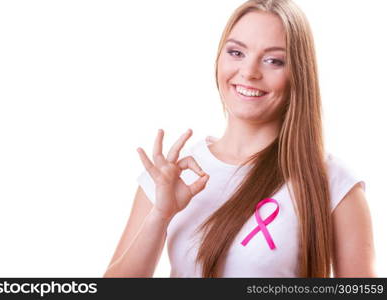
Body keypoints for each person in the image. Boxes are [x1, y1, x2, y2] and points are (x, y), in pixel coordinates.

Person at [103, 0, 376, 277]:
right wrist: (159, 216)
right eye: (236, 52)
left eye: (274, 60)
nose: (249, 72)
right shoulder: (169, 177)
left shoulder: (334, 183)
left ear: (298, 74)